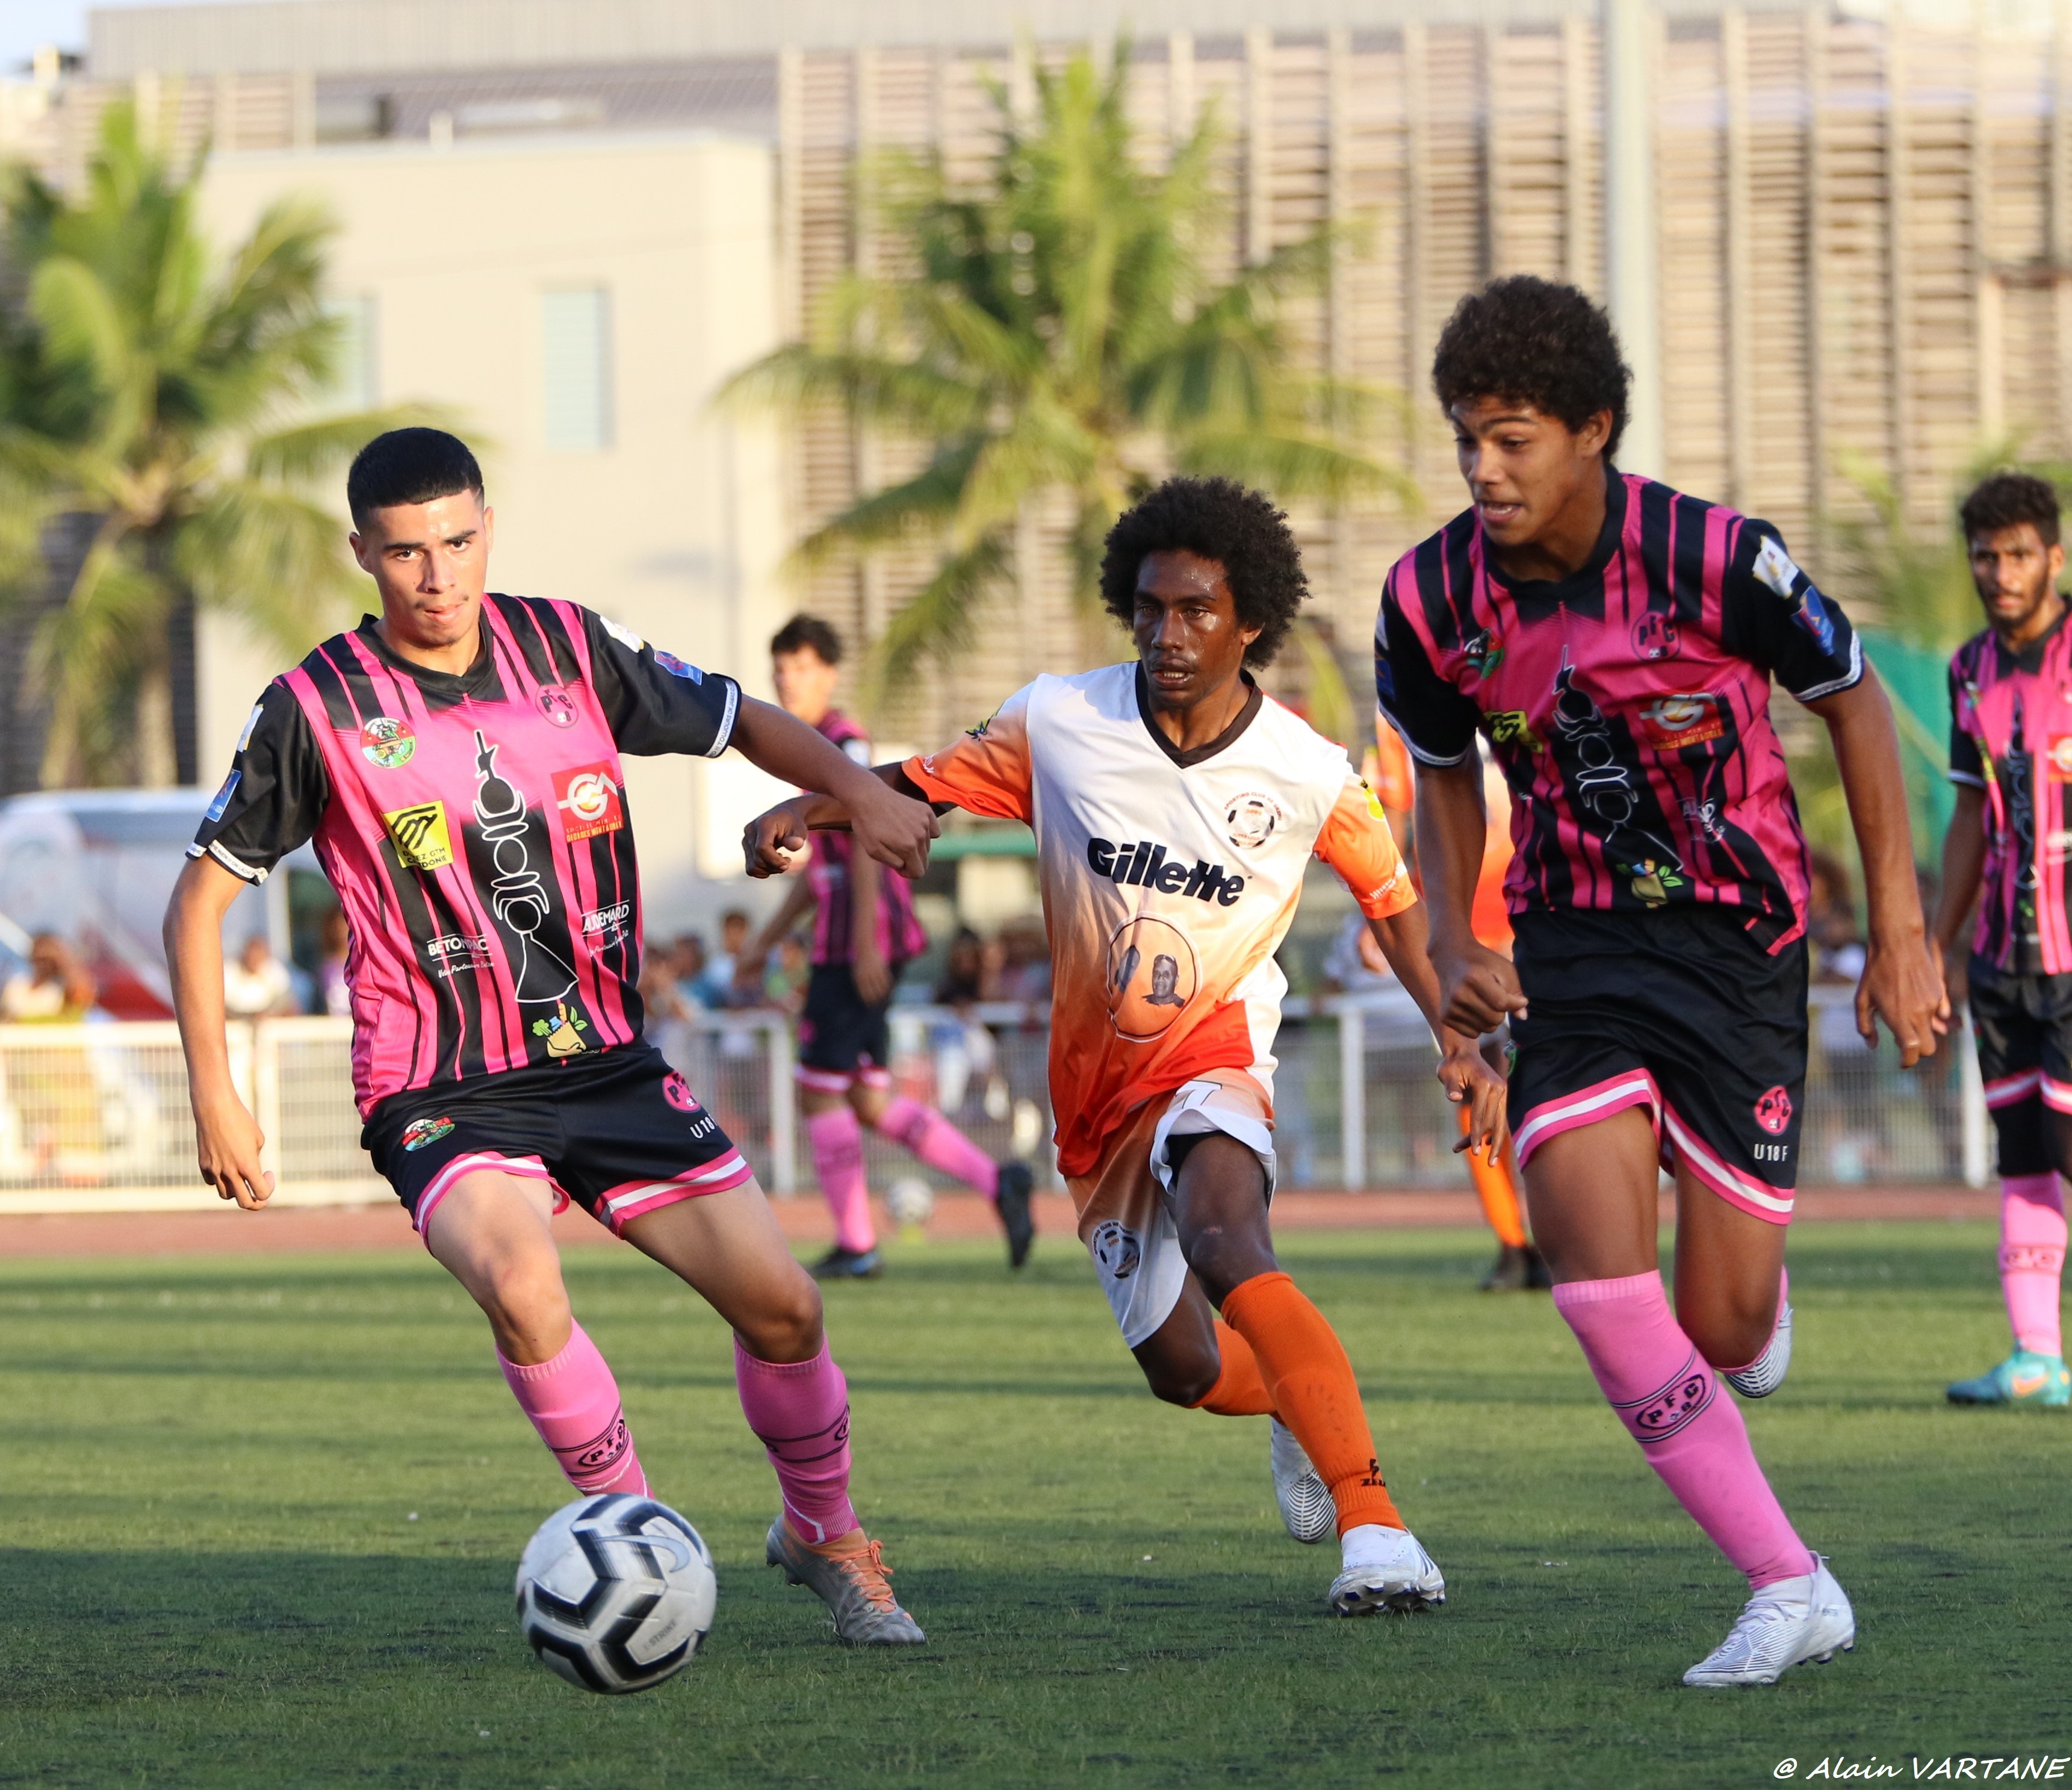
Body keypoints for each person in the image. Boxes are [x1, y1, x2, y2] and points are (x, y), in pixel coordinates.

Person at [168, 428, 943, 1645]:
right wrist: (215, 1091)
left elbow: (741, 717)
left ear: (488, 527)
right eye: (408, 553)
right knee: (525, 1285)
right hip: (441, 1085)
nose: (439, 576)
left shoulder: (570, 646)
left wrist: (861, 793)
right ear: (362, 552)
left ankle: (826, 1536)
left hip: (610, 1062)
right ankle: (635, 1544)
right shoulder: (313, 705)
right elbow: (202, 896)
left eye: (461, 542)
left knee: (786, 1309)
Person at [749, 476, 1500, 1618]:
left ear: (1251, 620)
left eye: (1196, 610)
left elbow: (1395, 905)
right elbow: (920, 784)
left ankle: (1377, 1526)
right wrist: (815, 805)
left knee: (1223, 1232)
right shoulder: (1060, 722)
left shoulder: (1306, 772)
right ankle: (1303, 1408)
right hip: (1093, 1098)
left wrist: (1460, 1039)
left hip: (1216, 1050)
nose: (1166, 633)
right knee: (1183, 1371)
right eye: (1149, 608)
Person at [1377, 276, 1950, 1685]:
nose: (1480, 468)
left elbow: (1854, 700)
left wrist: (1896, 925)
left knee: (1719, 1327)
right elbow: (1440, 774)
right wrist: (1451, 936)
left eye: (1510, 438)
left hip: (1739, 954)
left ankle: (1750, 1304)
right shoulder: (1426, 594)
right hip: (1569, 957)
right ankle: (1785, 1579)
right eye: (1463, 439)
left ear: (1592, 428)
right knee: (1586, 1264)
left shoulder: (1714, 557)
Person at [737, 614, 1034, 1276]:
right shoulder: (810, 747)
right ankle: (999, 1180)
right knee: (867, 1097)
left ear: (831, 674)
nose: (790, 680)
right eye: (783, 668)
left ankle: (857, 1243)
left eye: (804, 667)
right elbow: (821, 878)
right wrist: (765, 942)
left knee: (817, 1091)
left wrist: (868, 943)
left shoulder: (842, 741)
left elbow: (868, 842)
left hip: (856, 948)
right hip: (853, 942)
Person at [1932, 471, 2072, 1408]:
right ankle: (2036, 1358)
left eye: (2019, 553)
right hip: (1997, 964)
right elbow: (1971, 816)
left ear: (2054, 557)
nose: (2001, 571)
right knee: (2023, 1153)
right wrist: (1932, 946)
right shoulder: (1967, 669)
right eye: (1986, 555)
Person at [1370, 716, 1545, 1291]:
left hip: (1537, 910)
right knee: (1474, 1086)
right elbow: (1394, 818)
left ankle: (1552, 1235)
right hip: (1457, 926)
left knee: (1547, 1084)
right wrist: (1380, 908)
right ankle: (1514, 1241)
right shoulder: (1401, 697)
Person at [223, 932, 296, 1019]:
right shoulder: (229, 970)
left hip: (268, 1021)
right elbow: (224, 1004)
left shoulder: (275, 970)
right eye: (251, 955)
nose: (254, 959)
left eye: (258, 955)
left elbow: (284, 1000)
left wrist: (269, 1014)